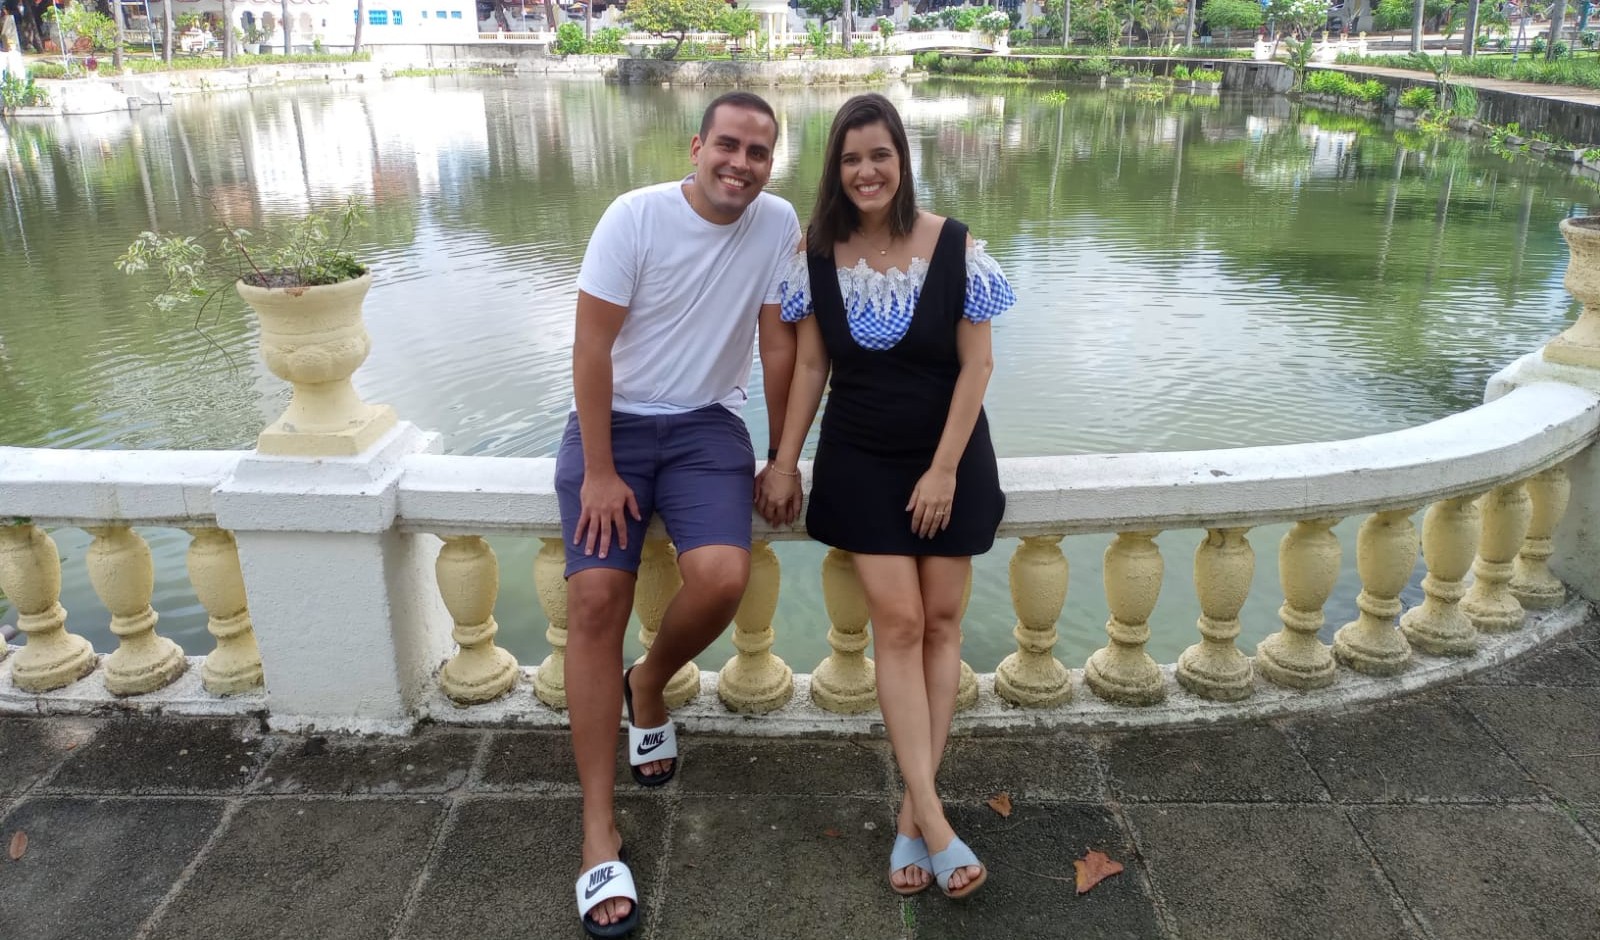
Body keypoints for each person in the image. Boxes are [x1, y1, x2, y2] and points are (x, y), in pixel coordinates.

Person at [758, 93, 1014, 901]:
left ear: (902, 160)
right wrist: (785, 460)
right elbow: (808, 368)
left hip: (951, 457)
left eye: (881, 155)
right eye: (850, 158)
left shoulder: (957, 246)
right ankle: (938, 825)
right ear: (835, 170)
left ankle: (913, 814)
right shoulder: (818, 253)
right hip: (861, 457)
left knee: (942, 623)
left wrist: (942, 471)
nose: (866, 171)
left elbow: (976, 367)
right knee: (898, 624)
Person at [560, 90, 799, 938]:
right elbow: (590, 347)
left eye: (758, 152)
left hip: (706, 424)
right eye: (727, 145)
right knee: (594, 600)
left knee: (725, 576)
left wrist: (780, 455)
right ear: (697, 146)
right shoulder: (635, 218)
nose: (741, 164)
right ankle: (599, 828)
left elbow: (779, 341)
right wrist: (596, 470)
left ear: (772, 162)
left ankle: (648, 682)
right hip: (615, 423)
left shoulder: (777, 225)